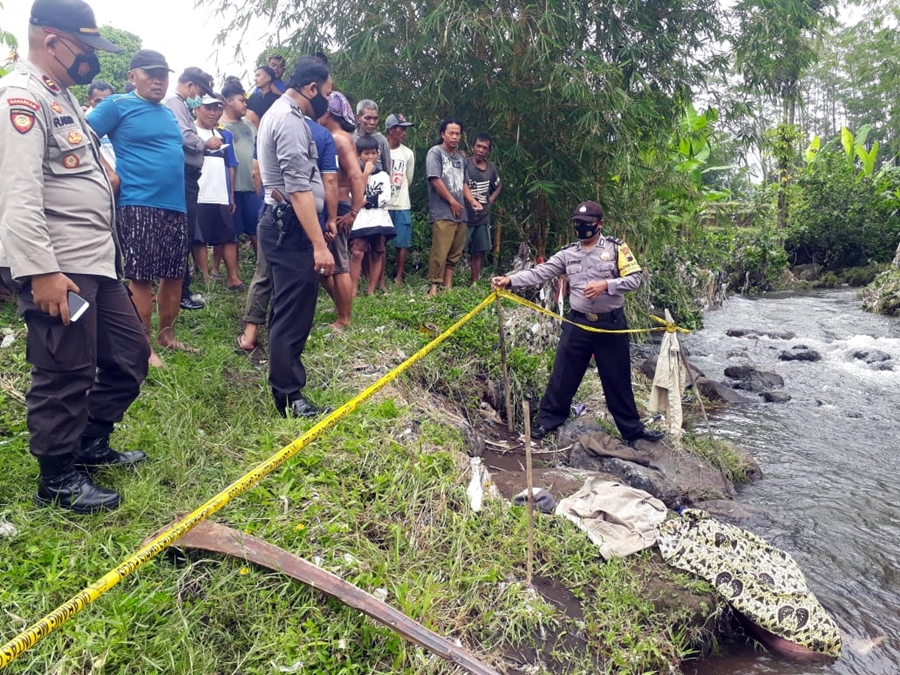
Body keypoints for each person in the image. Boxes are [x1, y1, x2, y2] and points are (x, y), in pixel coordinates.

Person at [0, 0, 150, 513]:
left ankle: (89, 442)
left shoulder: (60, 95)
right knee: (64, 369)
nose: (92, 58)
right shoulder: (21, 98)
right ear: (52, 40)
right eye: (85, 48)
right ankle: (57, 478)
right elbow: (16, 194)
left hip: (95, 261)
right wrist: (41, 271)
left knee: (129, 356)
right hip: (58, 264)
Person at [491, 201, 665, 446]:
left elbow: (635, 279)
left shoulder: (616, 248)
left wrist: (606, 285)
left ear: (599, 224)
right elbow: (541, 272)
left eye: (586, 224)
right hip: (578, 323)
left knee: (617, 379)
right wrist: (509, 281)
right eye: (577, 224)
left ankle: (632, 430)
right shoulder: (568, 253)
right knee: (563, 374)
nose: (581, 228)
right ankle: (548, 421)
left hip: (611, 325)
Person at [87, 49, 193, 368]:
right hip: (138, 202)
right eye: (151, 74)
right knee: (142, 277)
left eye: (163, 75)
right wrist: (108, 170)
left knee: (174, 274)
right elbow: (82, 135)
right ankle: (142, 347)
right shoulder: (117, 104)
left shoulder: (169, 112)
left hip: (175, 204)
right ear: (132, 76)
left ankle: (166, 335)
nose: (159, 81)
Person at [256, 55, 335, 417]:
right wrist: (319, 245)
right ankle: (289, 397)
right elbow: (298, 187)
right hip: (289, 225)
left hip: (286, 222)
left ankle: (286, 386)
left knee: (289, 307)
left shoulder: (286, 115)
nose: (328, 102)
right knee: (293, 312)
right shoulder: (287, 120)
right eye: (328, 93)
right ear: (312, 88)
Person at [236, 91, 338, 351]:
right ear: (312, 90)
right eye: (326, 92)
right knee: (295, 292)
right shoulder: (311, 131)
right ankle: (283, 353)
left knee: (264, 274)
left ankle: (251, 333)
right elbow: (327, 180)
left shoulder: (270, 120)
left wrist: (266, 200)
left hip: (272, 210)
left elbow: (257, 171)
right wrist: (329, 221)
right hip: (302, 218)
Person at [165, 66, 217, 311]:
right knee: (182, 235)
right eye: (201, 91)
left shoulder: (180, 104)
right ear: (190, 86)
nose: (201, 97)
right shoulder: (174, 103)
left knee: (185, 233)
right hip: (182, 175)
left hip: (187, 176)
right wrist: (205, 143)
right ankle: (180, 293)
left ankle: (181, 290)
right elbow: (185, 137)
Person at [318, 90, 365, 329]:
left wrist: (354, 212)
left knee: (337, 265)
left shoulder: (339, 139)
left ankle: (344, 318)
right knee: (324, 266)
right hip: (334, 208)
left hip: (339, 208)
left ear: (328, 113)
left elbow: (356, 176)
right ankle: (341, 307)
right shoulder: (337, 137)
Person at [194, 94, 242, 289]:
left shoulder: (224, 135)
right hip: (198, 193)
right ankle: (206, 280)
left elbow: (230, 166)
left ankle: (233, 277)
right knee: (199, 238)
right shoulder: (189, 132)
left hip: (220, 193)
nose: (213, 113)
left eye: (217, 108)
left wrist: (231, 195)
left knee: (228, 236)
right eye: (208, 108)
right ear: (197, 109)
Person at [348, 135, 394, 296]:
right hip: (361, 220)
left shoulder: (383, 176)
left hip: (379, 219)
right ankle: (352, 290)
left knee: (377, 252)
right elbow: (354, 196)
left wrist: (366, 201)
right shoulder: (355, 176)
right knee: (357, 252)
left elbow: (386, 198)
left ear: (378, 154)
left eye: (373, 153)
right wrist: (365, 174)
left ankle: (371, 290)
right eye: (366, 153)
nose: (370, 157)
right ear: (358, 155)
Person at [425, 117, 467, 297]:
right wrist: (452, 201)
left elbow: (464, 183)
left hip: (460, 212)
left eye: (458, 134)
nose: (455, 137)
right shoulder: (435, 152)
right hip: (443, 211)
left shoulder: (460, 158)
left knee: (455, 252)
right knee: (440, 251)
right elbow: (435, 179)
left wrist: (472, 202)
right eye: (451, 133)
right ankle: (434, 286)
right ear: (443, 134)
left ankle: (447, 285)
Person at [220, 82, 260, 255]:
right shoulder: (219, 128)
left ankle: (263, 266)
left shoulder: (249, 125)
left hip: (253, 187)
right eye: (241, 100)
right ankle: (233, 270)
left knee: (257, 229)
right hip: (232, 190)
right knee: (231, 234)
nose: (245, 104)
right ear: (229, 101)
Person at [463, 133, 502, 284]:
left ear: (489, 151)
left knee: (478, 252)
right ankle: (448, 283)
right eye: (478, 146)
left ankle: (474, 283)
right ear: (472, 147)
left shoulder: (491, 168)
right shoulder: (465, 164)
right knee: (457, 249)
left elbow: (498, 185)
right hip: (465, 215)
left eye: (484, 148)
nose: (480, 150)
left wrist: (490, 200)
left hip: (482, 217)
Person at [384, 113, 415, 286]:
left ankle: (399, 277)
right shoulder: (379, 149)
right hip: (382, 204)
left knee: (402, 243)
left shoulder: (407, 153)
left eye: (405, 129)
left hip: (401, 203)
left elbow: (408, 178)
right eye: (401, 129)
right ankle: (377, 276)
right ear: (391, 130)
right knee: (378, 243)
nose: (404, 133)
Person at [353, 99, 391, 172]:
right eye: (368, 118)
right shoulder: (350, 139)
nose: (372, 122)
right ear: (358, 118)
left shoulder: (382, 140)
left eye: (375, 118)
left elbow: (387, 169)